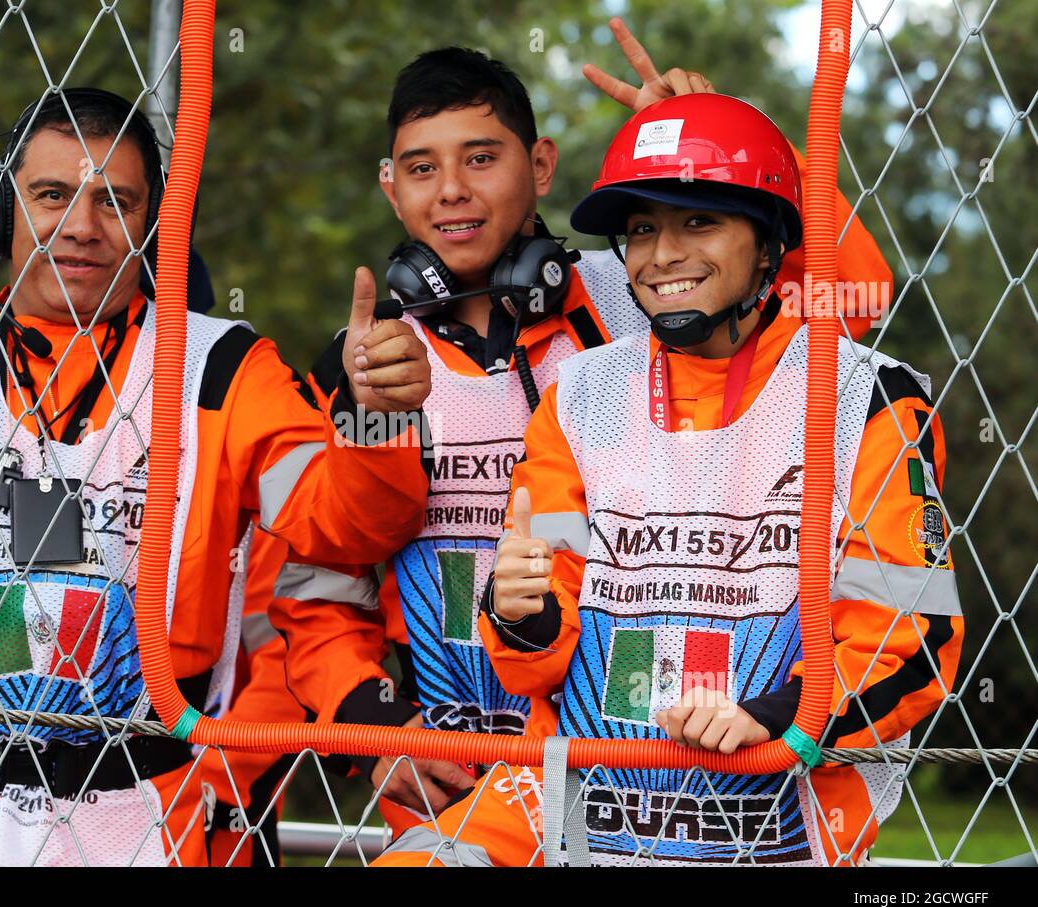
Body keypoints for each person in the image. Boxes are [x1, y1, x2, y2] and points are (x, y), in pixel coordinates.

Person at [0, 87, 432, 867]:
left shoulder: (222, 370)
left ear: (156, 227)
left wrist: (378, 420)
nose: (81, 228)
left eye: (116, 203)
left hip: (145, 825)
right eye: (52, 195)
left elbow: (347, 528)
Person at [271, 24, 892, 830]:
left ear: (542, 166)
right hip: (449, 789)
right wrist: (374, 730)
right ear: (391, 188)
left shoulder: (644, 293)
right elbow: (318, 582)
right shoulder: (362, 362)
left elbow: (849, 305)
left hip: (645, 779)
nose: (452, 188)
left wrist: (719, 156)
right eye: (423, 168)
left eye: (482, 157)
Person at [373, 92, 964, 867]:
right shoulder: (578, 396)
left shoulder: (870, 399)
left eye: (699, 222)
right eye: (643, 230)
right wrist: (521, 616)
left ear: (769, 244)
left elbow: (916, 636)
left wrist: (778, 717)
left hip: (771, 817)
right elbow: (539, 641)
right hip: (564, 805)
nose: (662, 255)